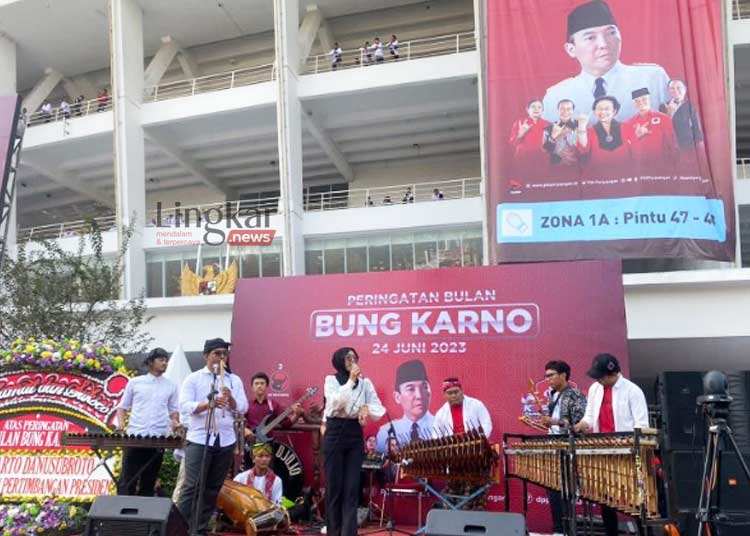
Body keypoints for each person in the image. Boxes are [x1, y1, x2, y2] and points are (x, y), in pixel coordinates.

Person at [542, 0, 670, 125]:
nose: (604, 44)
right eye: (590, 37)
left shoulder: (652, 78)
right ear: (571, 49)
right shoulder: (556, 96)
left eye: (611, 33)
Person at [177, 338, 249, 536]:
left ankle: (198, 530)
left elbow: (243, 408)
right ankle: (177, 529)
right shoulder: (194, 378)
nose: (221, 357)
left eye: (224, 354)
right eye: (217, 353)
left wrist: (231, 399)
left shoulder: (234, 380)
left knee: (212, 488)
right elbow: (184, 406)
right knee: (192, 486)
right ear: (206, 355)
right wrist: (207, 404)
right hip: (200, 438)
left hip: (225, 439)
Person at [574, 354, 649, 536]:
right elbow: (590, 417)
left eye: (601, 376)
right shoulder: (595, 389)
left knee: (636, 500)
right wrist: (582, 424)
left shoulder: (633, 391)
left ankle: (645, 533)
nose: (598, 380)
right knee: (605, 499)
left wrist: (628, 445)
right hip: (603, 451)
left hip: (628, 453)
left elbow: (642, 425)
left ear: (613, 372)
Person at [323, 347, 386, 536]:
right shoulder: (331, 380)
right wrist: (351, 381)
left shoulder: (365, 383)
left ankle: (349, 533)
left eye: (355, 357)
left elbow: (378, 408)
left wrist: (367, 409)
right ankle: (334, 532)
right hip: (334, 431)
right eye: (348, 357)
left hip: (354, 434)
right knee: (334, 488)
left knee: (351, 488)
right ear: (339, 360)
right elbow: (335, 404)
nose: (352, 360)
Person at [115, 348, 180, 496]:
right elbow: (122, 407)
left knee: (149, 480)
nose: (165, 363)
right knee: (128, 478)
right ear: (151, 362)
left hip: (157, 438)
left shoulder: (171, 385)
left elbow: (173, 411)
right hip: (135, 436)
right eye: (161, 360)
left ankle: (142, 516)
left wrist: (175, 422)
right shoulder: (135, 382)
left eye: (166, 360)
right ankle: (122, 516)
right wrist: (120, 424)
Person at [540, 360, 587, 535]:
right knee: (552, 487)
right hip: (555, 446)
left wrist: (555, 422)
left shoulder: (575, 394)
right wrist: (548, 424)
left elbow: (579, 423)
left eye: (551, 375)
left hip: (569, 448)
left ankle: (567, 529)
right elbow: (557, 425)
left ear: (563, 375)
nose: (548, 379)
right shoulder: (553, 396)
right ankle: (558, 529)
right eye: (546, 376)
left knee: (566, 489)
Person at [375, 359, 435, 451]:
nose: (419, 396)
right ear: (397, 397)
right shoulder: (386, 432)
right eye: (411, 389)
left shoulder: (441, 425)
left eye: (424, 387)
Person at [623, 87, 676, 174]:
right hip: (639, 170)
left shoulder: (663, 118)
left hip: (663, 168)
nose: (641, 103)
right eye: (637, 101)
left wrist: (673, 167)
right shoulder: (628, 124)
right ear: (634, 104)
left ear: (649, 100)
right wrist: (636, 137)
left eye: (644, 99)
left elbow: (672, 144)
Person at [577, 96, 631, 177]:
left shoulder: (627, 127)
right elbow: (583, 149)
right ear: (594, 112)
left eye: (607, 109)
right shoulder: (589, 131)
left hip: (624, 175)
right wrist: (581, 126)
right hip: (599, 176)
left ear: (614, 111)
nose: (603, 112)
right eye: (599, 109)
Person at [244, 371, 303, 443]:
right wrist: (245, 430)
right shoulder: (246, 405)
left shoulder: (273, 405)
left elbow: (286, 424)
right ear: (252, 387)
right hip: (250, 443)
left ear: (266, 386)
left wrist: (296, 415)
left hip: (267, 444)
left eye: (262, 383)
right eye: (256, 384)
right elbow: (239, 424)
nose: (259, 386)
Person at [660, 78, 704, 151]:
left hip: (688, 146)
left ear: (685, 89)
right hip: (669, 147)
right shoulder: (663, 106)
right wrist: (668, 115)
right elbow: (660, 129)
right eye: (672, 88)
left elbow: (697, 128)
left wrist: (700, 146)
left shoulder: (691, 106)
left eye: (678, 88)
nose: (675, 90)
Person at [509, 99, 549, 176]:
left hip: (541, 162)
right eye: (533, 107)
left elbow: (551, 147)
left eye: (539, 107)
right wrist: (520, 134)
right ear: (527, 110)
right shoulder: (519, 122)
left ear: (542, 110)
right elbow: (512, 143)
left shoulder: (547, 124)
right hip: (523, 161)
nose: (536, 109)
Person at [542, 99, 580, 177]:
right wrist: (553, 137)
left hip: (579, 169)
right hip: (556, 170)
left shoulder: (582, 126)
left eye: (568, 109)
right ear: (558, 110)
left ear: (573, 111)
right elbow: (544, 152)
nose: (565, 111)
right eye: (562, 108)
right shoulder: (548, 128)